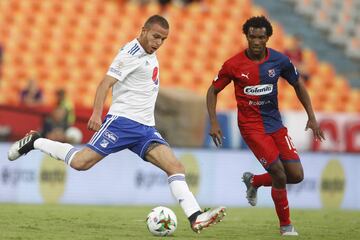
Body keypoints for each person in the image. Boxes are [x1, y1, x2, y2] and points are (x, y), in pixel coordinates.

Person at [8, 15, 225, 233]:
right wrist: (96, 113)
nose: (158, 43)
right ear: (143, 31)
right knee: (81, 163)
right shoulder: (129, 54)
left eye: (163, 40)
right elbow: (104, 84)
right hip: (121, 123)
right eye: (155, 37)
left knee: (176, 167)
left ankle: (195, 217)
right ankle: (36, 141)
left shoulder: (150, 52)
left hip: (145, 129)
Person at [206, 16, 325, 236]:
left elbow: (298, 84)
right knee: (279, 174)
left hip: (275, 125)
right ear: (247, 37)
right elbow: (212, 90)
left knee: (296, 175)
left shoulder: (279, 61)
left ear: (268, 38)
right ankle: (286, 226)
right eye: (252, 37)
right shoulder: (233, 64)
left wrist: (311, 116)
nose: (257, 41)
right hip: (252, 128)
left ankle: (254, 180)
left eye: (261, 37)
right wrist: (213, 122)